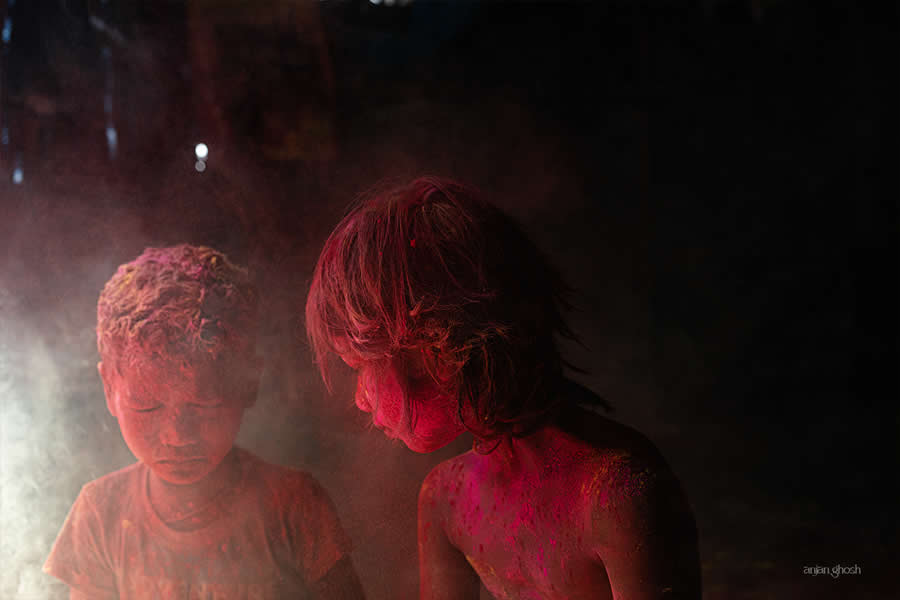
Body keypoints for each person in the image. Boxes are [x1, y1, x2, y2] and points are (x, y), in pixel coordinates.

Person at [305, 177, 701, 599]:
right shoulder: (445, 499)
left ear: (437, 343)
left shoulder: (616, 493)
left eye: (363, 366)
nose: (361, 398)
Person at [44, 244, 365, 600]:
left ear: (248, 382)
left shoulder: (293, 505)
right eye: (148, 407)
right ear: (109, 387)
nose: (178, 436)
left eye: (205, 404)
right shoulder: (101, 512)